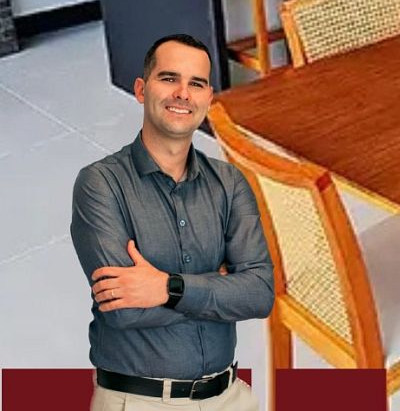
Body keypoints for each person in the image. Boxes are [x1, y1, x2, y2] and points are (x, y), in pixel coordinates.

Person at [70, 34, 273, 410]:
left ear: (208, 99)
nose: (183, 94)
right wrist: (221, 286)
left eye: (196, 84)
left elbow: (259, 294)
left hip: (230, 396)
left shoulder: (229, 182)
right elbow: (125, 308)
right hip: (138, 399)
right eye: (169, 79)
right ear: (141, 90)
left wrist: (168, 287)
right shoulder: (100, 184)